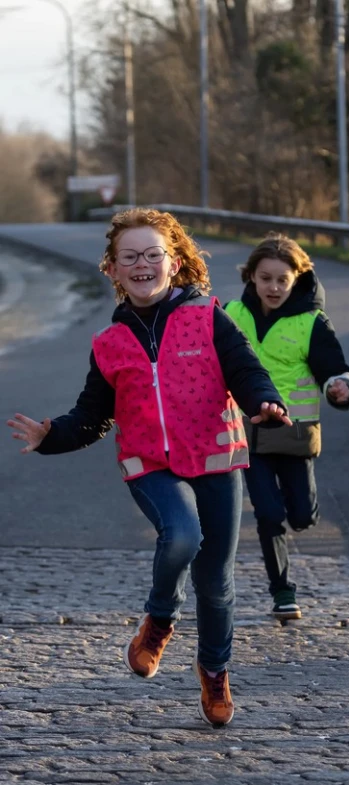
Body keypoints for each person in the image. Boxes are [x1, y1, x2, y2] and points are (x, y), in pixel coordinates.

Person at [6, 208, 291, 728]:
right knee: (181, 536)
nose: (142, 264)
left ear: (174, 262)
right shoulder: (109, 342)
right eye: (130, 257)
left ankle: (214, 672)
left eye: (152, 255)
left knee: (216, 583)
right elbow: (92, 416)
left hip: (215, 459)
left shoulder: (209, 317)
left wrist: (264, 401)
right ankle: (160, 620)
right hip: (150, 465)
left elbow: (246, 370)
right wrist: (52, 436)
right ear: (113, 269)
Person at [225, 233, 349, 621]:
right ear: (251, 276)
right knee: (268, 514)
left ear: (297, 278)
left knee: (301, 516)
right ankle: (282, 591)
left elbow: (336, 369)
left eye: (282, 279)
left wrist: (340, 388)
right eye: (265, 278)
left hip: (295, 436)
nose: (274, 287)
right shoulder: (230, 314)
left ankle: (298, 512)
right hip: (247, 435)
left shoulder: (311, 323)